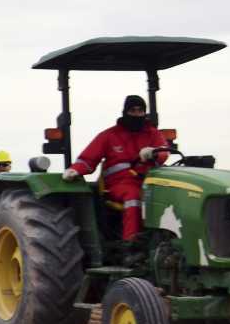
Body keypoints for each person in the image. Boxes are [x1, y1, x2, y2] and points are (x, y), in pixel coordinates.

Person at [63, 95, 169, 242]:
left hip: (150, 181)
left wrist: (154, 152)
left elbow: (163, 152)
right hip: (120, 184)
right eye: (133, 110)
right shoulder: (109, 136)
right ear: (125, 112)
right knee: (134, 197)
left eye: (140, 111)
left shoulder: (153, 134)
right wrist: (76, 170)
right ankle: (131, 243)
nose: (137, 114)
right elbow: (89, 158)